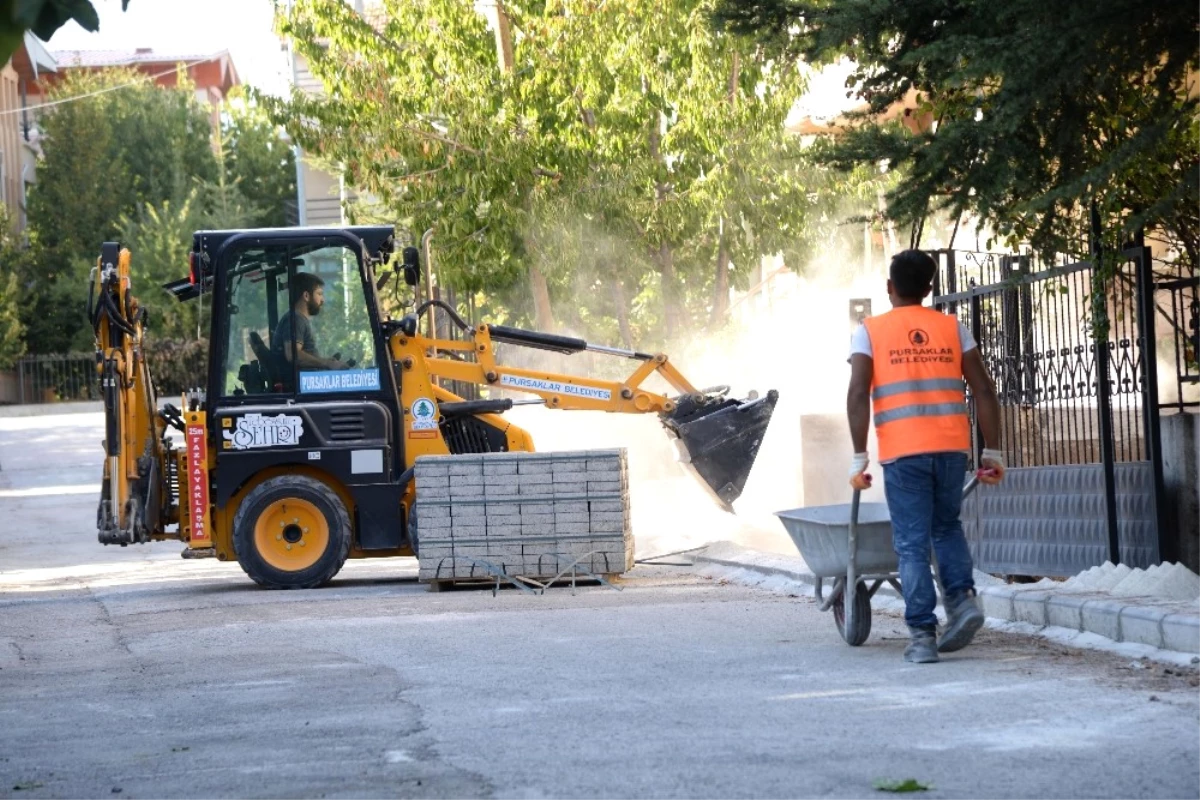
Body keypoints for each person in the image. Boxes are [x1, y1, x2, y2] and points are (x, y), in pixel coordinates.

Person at [846, 250, 1005, 664]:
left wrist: (858, 455)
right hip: (951, 448)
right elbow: (984, 390)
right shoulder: (952, 327)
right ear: (930, 289)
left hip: (903, 454)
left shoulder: (870, 331)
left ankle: (921, 635)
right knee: (947, 528)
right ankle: (963, 601)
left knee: (912, 546)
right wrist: (993, 450)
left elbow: (858, 391)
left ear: (889, 287)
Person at [273, 272, 347, 374]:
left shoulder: (298, 319)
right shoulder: (296, 319)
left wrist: (328, 362)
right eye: (319, 294)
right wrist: (326, 363)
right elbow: (293, 354)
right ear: (306, 296)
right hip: (302, 386)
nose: (322, 300)